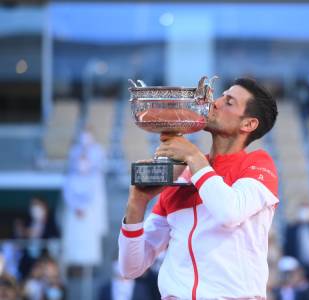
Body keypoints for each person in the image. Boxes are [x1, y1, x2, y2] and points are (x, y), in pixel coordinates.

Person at [118, 78, 279, 299]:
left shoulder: (257, 164)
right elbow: (131, 267)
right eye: (222, 95)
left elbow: (229, 212)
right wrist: (137, 202)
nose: (216, 102)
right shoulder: (183, 174)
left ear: (248, 124)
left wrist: (193, 157)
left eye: (229, 102)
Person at [62, 128, 108, 269]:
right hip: (75, 214)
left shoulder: (95, 179)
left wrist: (83, 207)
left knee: (88, 240)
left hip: (88, 213)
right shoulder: (70, 178)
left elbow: (92, 196)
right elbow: (68, 194)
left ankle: (89, 266)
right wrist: (77, 207)